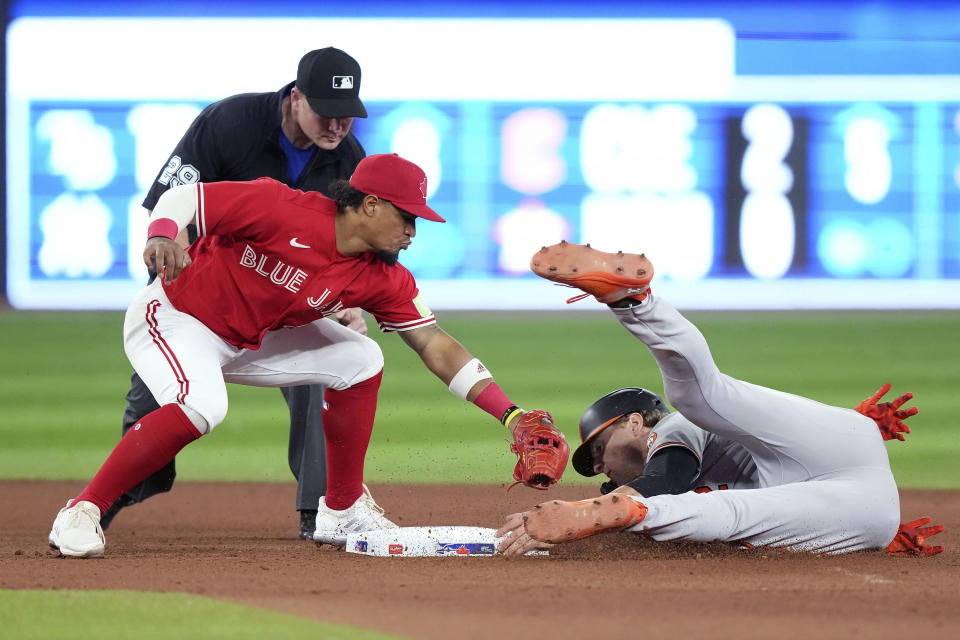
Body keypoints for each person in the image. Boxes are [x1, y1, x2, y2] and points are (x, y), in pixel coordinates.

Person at [48, 153, 566, 558]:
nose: (413, 232)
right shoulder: (281, 206)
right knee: (203, 406)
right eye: (408, 218)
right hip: (177, 317)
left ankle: (340, 508)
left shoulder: (383, 276)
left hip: (250, 339)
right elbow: (184, 196)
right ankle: (82, 509)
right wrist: (163, 234)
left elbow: (435, 344)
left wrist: (512, 413)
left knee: (362, 358)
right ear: (369, 205)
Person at [497, 241, 944, 557]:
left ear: (636, 422)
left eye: (598, 447)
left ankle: (634, 300)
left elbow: (665, 479)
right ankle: (635, 302)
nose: (597, 465)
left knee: (699, 411)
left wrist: (583, 515)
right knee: (720, 494)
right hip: (864, 513)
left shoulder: (670, 431)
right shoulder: (678, 462)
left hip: (858, 495)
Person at [107, 47, 370, 540]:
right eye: (327, 112)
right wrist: (170, 251)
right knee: (153, 404)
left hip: (283, 295)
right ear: (296, 98)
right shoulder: (229, 122)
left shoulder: (348, 162)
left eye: (347, 115)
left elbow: (354, 252)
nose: (338, 125)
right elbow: (171, 203)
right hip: (202, 284)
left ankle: (319, 510)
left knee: (323, 366)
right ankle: (113, 493)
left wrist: (347, 304)